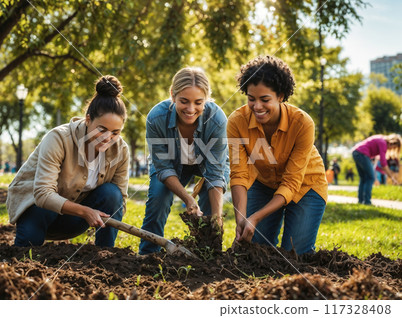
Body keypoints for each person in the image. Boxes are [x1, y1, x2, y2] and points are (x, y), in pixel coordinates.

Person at [6, 75, 129, 247]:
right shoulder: (58, 138)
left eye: (115, 132)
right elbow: (42, 194)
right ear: (88, 120)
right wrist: (85, 211)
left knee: (112, 193)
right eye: (102, 130)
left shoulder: (121, 150)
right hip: (39, 213)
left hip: (75, 220)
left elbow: (119, 201)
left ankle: (105, 253)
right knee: (26, 252)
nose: (108, 138)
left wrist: (104, 216)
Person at [227, 56, 328, 255]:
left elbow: (291, 183)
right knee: (255, 249)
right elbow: (238, 174)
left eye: (265, 99)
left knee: (295, 254)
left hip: (306, 186)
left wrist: (255, 217)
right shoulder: (236, 122)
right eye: (251, 99)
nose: (257, 106)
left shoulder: (302, 123)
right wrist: (242, 217)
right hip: (263, 183)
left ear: (280, 95)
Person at [139, 67, 229, 255]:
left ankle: (209, 255)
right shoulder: (156, 118)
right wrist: (188, 200)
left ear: (207, 99)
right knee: (158, 199)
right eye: (184, 101)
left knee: (211, 211)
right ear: (172, 95)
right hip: (170, 164)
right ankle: (148, 254)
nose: (190, 109)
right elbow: (163, 168)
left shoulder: (217, 120)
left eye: (198, 102)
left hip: (207, 165)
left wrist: (218, 218)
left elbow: (214, 173)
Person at [352, 134, 401, 204]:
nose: (390, 149)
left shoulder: (381, 139)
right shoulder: (383, 143)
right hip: (362, 154)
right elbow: (383, 163)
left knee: (364, 178)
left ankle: (361, 201)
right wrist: (392, 177)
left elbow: (379, 160)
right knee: (370, 178)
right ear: (391, 143)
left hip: (356, 152)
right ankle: (367, 202)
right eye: (393, 148)